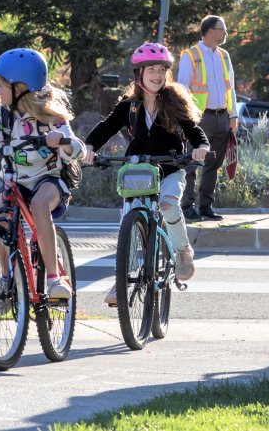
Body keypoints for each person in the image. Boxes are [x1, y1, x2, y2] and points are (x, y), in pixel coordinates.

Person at [0, 48, 86, 302]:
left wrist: (62, 141)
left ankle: (55, 279)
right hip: (14, 182)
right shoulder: (0, 116)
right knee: (0, 220)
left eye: (1, 85)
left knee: (39, 203)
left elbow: (78, 149)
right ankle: (6, 278)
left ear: (21, 87)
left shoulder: (50, 117)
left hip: (50, 180)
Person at [82, 43, 211, 305]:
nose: (157, 74)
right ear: (139, 74)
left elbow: (191, 128)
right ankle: (122, 282)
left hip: (171, 167)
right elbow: (107, 126)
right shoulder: (129, 105)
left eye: (162, 69)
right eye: (150, 69)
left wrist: (201, 146)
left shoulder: (174, 101)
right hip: (139, 170)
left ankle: (182, 251)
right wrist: (90, 146)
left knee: (168, 203)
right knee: (129, 220)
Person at [177, 16, 238, 221]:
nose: (225, 34)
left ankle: (205, 207)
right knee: (192, 163)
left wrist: (233, 115)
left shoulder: (224, 55)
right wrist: (186, 121)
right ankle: (187, 207)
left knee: (213, 164)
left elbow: (231, 88)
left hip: (222, 117)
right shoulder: (190, 55)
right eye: (223, 30)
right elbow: (182, 90)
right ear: (210, 31)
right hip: (198, 119)